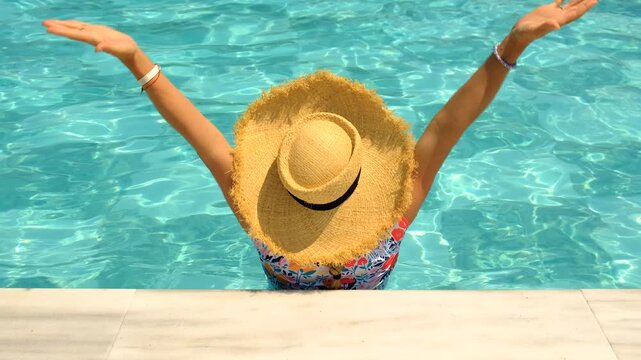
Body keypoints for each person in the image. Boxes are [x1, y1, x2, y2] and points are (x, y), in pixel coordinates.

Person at [42, 0, 599, 290]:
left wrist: (136, 59)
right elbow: (450, 125)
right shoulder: (395, 215)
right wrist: (512, 44)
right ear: (363, 177)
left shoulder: (253, 210)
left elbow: (193, 132)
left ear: (282, 178)